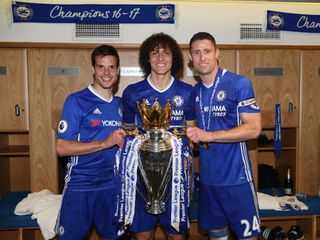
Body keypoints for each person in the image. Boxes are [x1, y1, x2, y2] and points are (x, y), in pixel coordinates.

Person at [187, 32, 262, 240]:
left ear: (217, 53)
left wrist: (209, 136)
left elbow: (254, 129)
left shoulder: (239, 83)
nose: (202, 58)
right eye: (197, 53)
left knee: (248, 237)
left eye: (207, 51)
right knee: (216, 234)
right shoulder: (195, 91)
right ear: (190, 58)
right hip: (209, 181)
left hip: (237, 179)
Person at [122, 32, 195, 240]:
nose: (160, 58)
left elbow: (191, 133)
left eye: (166, 53)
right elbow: (127, 133)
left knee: (176, 237)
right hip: (142, 179)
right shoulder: (132, 92)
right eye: (154, 53)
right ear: (147, 58)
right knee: (143, 236)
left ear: (175, 58)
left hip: (176, 180)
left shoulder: (187, 92)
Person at [55, 44, 126, 240]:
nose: (106, 72)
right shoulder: (76, 101)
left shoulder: (122, 105)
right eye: (101, 67)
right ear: (93, 70)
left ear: (118, 71)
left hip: (112, 187)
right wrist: (104, 143)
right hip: (80, 186)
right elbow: (61, 147)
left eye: (111, 67)